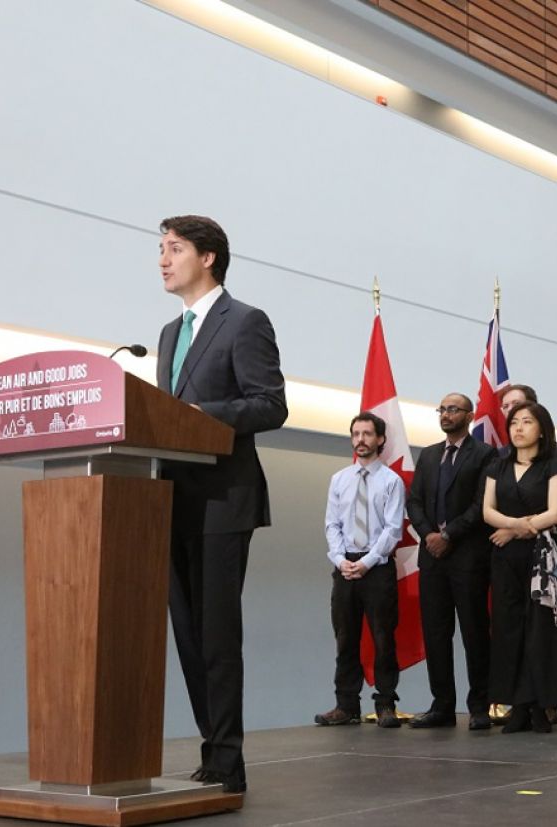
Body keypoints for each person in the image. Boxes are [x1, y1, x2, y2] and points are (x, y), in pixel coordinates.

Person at [156, 215, 288, 794]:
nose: (162, 259)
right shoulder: (167, 333)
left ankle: (227, 760)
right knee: (187, 636)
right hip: (170, 500)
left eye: (174, 248)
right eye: (160, 249)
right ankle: (211, 747)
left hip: (223, 499)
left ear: (208, 257)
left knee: (216, 637)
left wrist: (203, 415)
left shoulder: (245, 321)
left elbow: (270, 405)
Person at [406, 393, 497, 730]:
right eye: (442, 409)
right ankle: (442, 705)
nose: (446, 414)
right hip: (432, 559)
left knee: (474, 632)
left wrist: (449, 535)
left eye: (453, 409)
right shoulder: (429, 455)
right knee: (436, 633)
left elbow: (480, 505)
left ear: (469, 415)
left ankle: (479, 707)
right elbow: (414, 502)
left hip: (468, 556)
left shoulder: (485, 454)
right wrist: (429, 534)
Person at [483, 402, 557, 734]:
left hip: (541, 555)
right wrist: (512, 525)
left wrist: (517, 529)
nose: (518, 428)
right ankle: (517, 705)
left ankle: (540, 705)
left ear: (542, 428)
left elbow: (556, 513)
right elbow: (487, 511)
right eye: (514, 423)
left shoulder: (554, 462)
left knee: (540, 629)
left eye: (527, 422)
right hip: (505, 556)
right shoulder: (499, 464)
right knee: (508, 628)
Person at [316, 413, 405, 729]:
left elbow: (393, 529)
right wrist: (341, 560)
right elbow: (332, 524)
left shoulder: (391, 481)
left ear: (380, 439)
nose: (360, 439)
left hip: (376, 568)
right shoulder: (339, 479)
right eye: (356, 433)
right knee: (345, 638)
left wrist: (366, 562)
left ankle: (385, 703)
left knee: (383, 638)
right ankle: (346, 705)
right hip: (344, 568)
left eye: (367, 434)